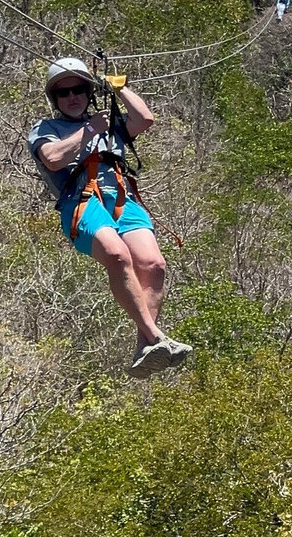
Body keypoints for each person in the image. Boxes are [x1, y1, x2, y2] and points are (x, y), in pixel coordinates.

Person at [27, 57, 192, 378]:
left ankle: (145, 348)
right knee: (117, 254)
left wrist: (121, 87)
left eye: (78, 89)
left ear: (89, 91)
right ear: (55, 100)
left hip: (121, 198)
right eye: (63, 93)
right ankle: (156, 337)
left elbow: (144, 118)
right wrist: (89, 130)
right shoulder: (46, 129)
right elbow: (53, 159)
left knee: (154, 265)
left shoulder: (110, 124)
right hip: (81, 200)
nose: (72, 96)